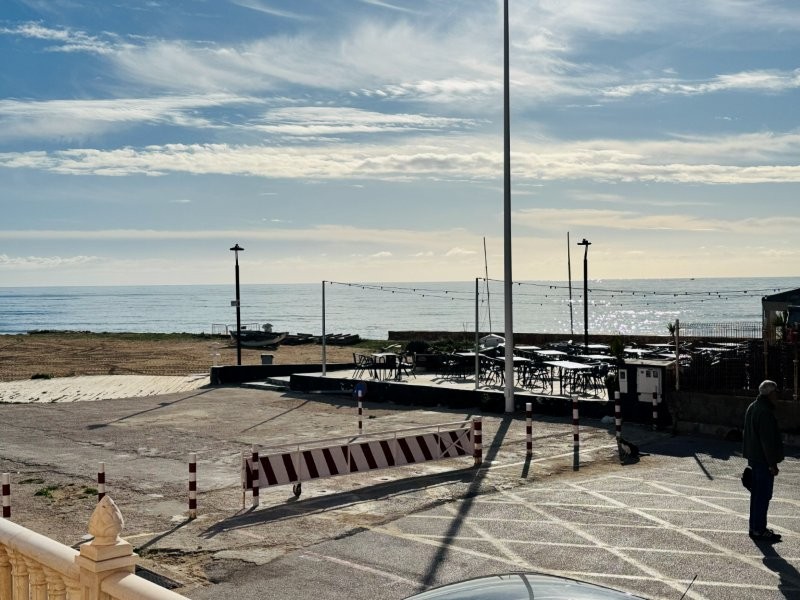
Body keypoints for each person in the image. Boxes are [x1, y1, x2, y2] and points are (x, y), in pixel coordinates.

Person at [743, 380, 784, 542]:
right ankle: (759, 529)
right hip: (762, 460)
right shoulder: (765, 412)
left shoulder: (753, 406)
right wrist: (772, 464)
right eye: (776, 392)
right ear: (770, 394)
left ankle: (755, 527)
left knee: (757, 495)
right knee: (763, 495)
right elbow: (766, 441)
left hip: (754, 458)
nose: (778, 395)